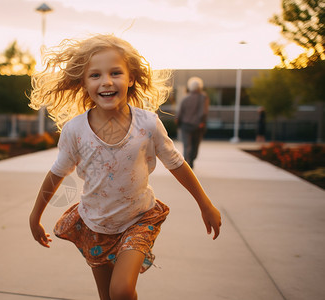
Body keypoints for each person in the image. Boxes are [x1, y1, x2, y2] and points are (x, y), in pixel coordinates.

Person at [29, 34, 221, 300]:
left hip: (138, 219)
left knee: (120, 291)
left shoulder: (148, 125)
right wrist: (34, 216)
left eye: (115, 72)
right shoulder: (75, 130)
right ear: (84, 83)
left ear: (130, 78)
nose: (106, 81)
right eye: (95, 75)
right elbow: (57, 174)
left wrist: (205, 203)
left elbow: (177, 163)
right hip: (95, 224)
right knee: (107, 296)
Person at [176, 77, 209, 169]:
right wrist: (202, 122)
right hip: (198, 125)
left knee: (187, 146)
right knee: (195, 145)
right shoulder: (203, 97)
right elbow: (204, 112)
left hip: (185, 125)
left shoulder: (185, 98)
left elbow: (180, 113)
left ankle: (187, 162)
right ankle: (191, 161)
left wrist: (178, 123)